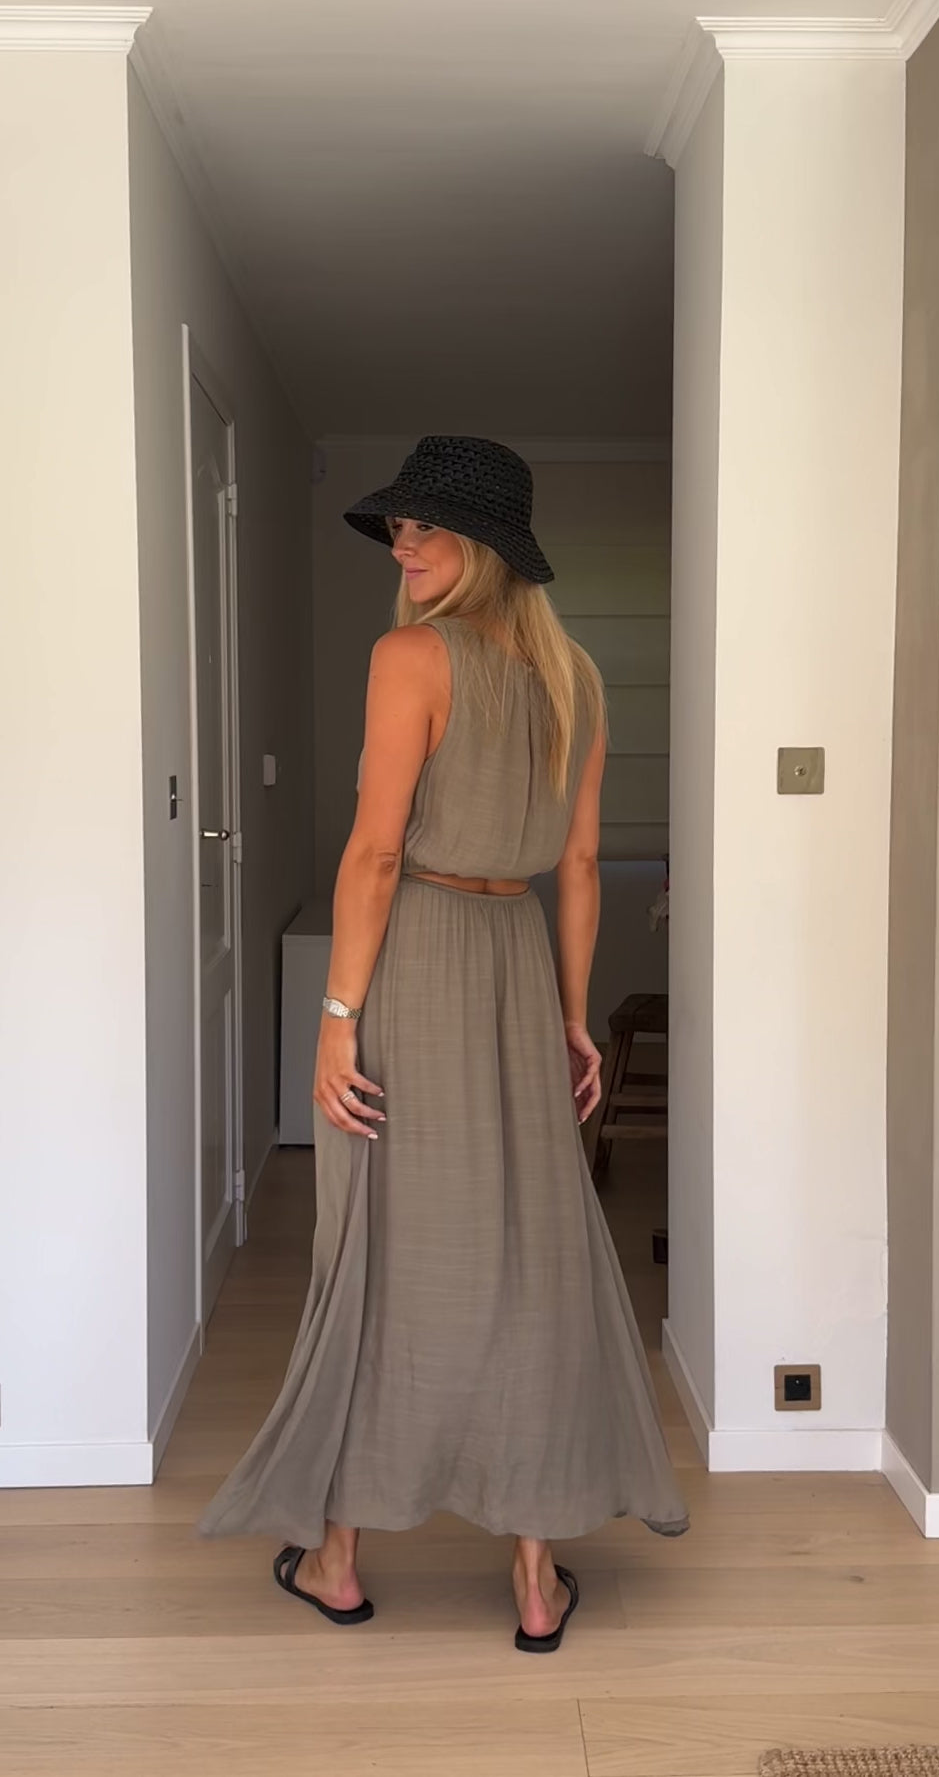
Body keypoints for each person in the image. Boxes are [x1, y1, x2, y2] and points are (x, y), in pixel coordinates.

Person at [198, 435, 690, 1652]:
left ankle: (340, 1559)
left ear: (487, 545)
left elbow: (376, 851)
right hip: (515, 956)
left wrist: (334, 1019)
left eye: (426, 528)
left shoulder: (411, 657)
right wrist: (568, 1016)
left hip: (416, 958)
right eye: (398, 528)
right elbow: (578, 866)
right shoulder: (577, 678)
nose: (403, 548)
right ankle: (533, 1577)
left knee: (379, 1243)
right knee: (531, 1251)